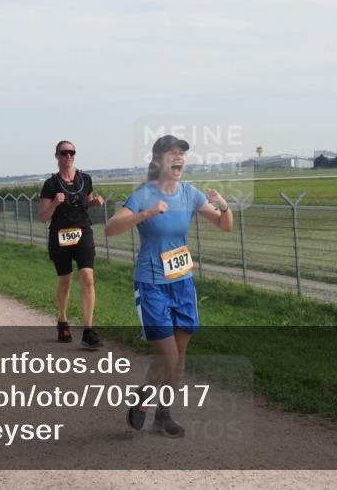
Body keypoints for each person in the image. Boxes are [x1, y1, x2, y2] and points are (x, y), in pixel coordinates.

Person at [105, 135, 233, 438]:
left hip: (182, 283)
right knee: (168, 357)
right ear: (158, 161)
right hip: (152, 286)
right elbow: (111, 228)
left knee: (178, 360)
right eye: (172, 153)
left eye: (182, 154)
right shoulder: (144, 195)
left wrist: (224, 207)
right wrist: (146, 214)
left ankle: (163, 415)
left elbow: (224, 225)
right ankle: (143, 397)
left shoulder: (191, 193)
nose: (179, 158)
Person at [38, 140, 104, 350]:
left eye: (71, 152)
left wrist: (95, 203)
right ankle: (63, 321)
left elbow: (87, 203)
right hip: (60, 234)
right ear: (56, 156)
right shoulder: (50, 184)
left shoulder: (85, 179)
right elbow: (43, 217)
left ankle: (88, 330)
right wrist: (56, 203)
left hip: (83, 232)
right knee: (65, 281)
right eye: (63, 153)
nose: (68, 156)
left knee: (87, 276)